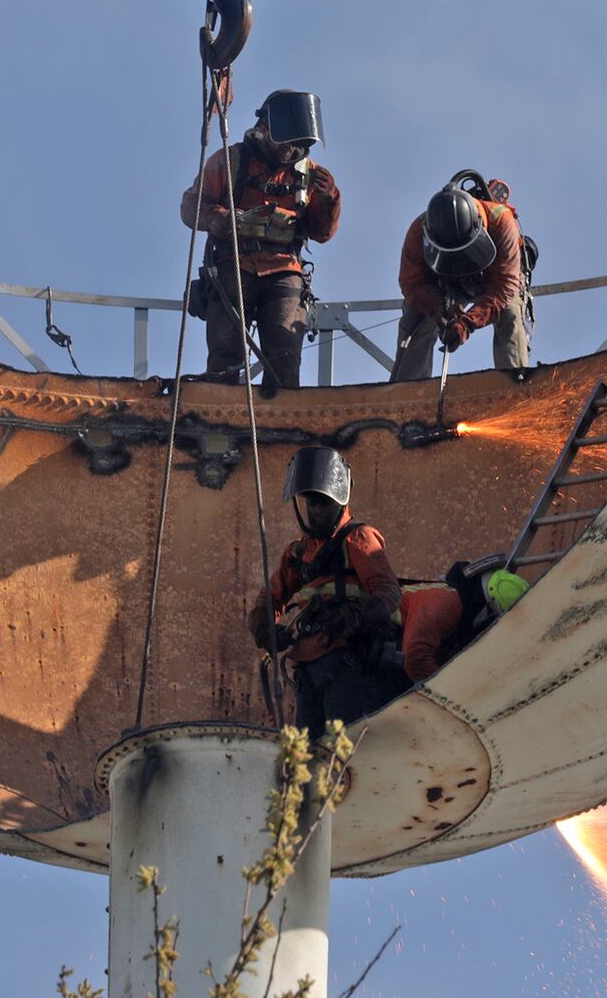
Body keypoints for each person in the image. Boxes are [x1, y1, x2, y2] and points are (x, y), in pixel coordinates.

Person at [182, 90, 341, 388]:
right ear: (264, 130)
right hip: (234, 264)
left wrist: (329, 199)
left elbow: (322, 233)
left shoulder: (310, 177)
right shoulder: (231, 161)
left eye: (298, 145)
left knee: (285, 347)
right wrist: (218, 218)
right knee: (225, 347)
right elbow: (190, 207)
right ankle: (222, 403)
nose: (290, 150)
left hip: (284, 269)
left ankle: (279, 414)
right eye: (286, 142)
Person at [248, 447, 402, 737]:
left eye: (324, 503)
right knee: (308, 757)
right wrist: (265, 628)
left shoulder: (359, 538)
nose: (316, 511)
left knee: (339, 751)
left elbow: (389, 593)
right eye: (312, 503)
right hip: (307, 669)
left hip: (345, 665)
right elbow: (269, 598)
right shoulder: (299, 552)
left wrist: (352, 618)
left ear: (341, 502)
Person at [390, 175, 529, 382]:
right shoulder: (418, 232)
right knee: (415, 316)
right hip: (446, 281)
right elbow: (413, 284)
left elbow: (504, 287)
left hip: (492, 277)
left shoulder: (502, 222)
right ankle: (407, 391)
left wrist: (467, 323)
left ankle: (514, 386)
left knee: (509, 311)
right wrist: (439, 311)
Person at [380, 559, 531, 683]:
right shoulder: (446, 603)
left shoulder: (463, 604)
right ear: (491, 604)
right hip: (375, 636)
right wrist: (448, 691)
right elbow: (415, 659)